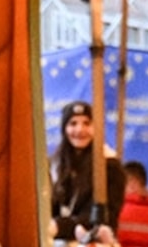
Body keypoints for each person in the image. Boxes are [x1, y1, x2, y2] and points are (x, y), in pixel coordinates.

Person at [47, 99, 112, 238]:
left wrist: (59, 226)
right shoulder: (56, 164)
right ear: (64, 129)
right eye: (73, 123)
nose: (80, 130)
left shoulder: (108, 165)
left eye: (86, 123)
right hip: (56, 240)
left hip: (94, 245)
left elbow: (101, 218)